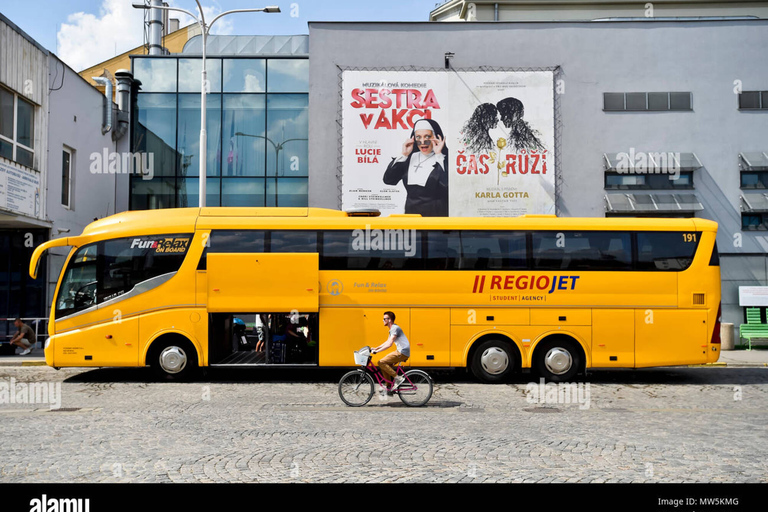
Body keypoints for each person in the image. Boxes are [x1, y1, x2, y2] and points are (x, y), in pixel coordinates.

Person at [383, 118, 449, 217]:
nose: (422, 141)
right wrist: (404, 154)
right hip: (411, 216)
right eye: (418, 137)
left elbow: (448, 186)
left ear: (435, 137)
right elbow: (389, 180)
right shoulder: (409, 158)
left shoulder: (444, 159)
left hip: (437, 217)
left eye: (427, 136)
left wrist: (439, 154)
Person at [371, 311, 410, 390]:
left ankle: (398, 378)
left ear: (389, 320)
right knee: (384, 365)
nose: (383, 320)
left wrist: (377, 352)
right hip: (401, 351)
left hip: (402, 352)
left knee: (381, 362)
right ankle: (389, 386)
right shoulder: (392, 329)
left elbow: (389, 344)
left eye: (384, 319)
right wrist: (376, 348)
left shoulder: (395, 328)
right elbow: (387, 341)